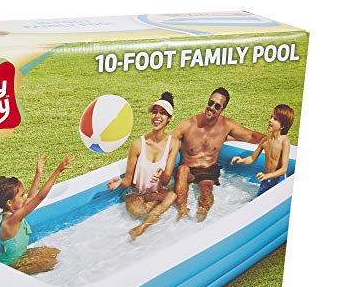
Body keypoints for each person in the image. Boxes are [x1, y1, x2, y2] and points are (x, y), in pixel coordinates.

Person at [172, 87, 265, 222]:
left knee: (206, 193)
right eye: (210, 103)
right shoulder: (187, 125)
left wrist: (272, 140)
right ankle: (182, 212)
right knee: (182, 170)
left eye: (217, 106)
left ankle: (200, 221)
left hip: (208, 171)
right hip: (187, 170)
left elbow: (251, 136)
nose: (211, 107)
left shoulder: (226, 125)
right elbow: (167, 145)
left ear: (222, 109)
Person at [107, 92, 179, 239]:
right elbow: (128, 181)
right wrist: (119, 182)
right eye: (155, 112)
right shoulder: (138, 144)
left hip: (156, 193)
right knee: (139, 212)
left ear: (169, 118)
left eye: (163, 113)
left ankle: (142, 227)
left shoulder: (173, 144)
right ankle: (151, 216)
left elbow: (166, 181)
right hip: (137, 194)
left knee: (172, 195)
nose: (157, 116)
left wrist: (162, 174)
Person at [0, 154, 71, 274]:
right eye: (21, 195)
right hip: (12, 264)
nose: (25, 198)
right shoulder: (11, 220)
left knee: (54, 252)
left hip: (21, 255)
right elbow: (39, 197)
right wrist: (57, 171)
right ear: (9, 202)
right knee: (50, 262)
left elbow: (31, 197)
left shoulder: (13, 212)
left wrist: (38, 173)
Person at [231, 104, 294, 196]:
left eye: (275, 119)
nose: (270, 120)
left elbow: (284, 169)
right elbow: (252, 158)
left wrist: (267, 176)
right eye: (271, 117)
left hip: (278, 181)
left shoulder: (284, 142)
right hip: (266, 180)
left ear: (282, 126)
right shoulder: (265, 141)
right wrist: (241, 160)